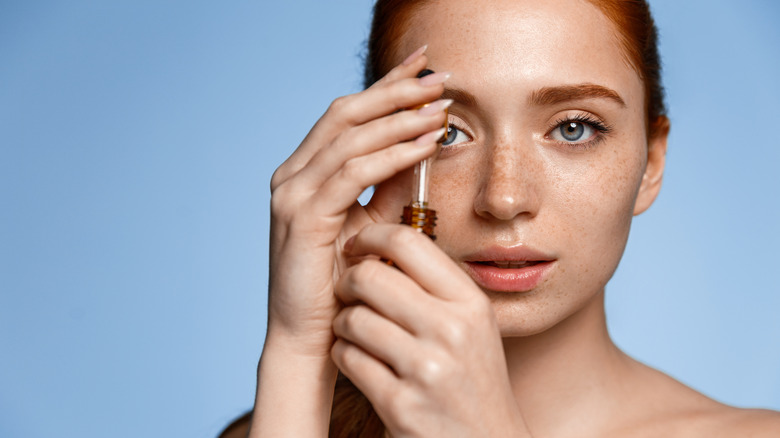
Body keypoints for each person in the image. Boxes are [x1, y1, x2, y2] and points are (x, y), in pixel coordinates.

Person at [224, 0, 780, 436]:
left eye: (573, 128)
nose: (505, 198)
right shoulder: (283, 420)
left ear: (651, 163)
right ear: (375, 144)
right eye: (448, 133)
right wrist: (299, 351)